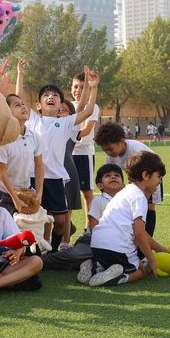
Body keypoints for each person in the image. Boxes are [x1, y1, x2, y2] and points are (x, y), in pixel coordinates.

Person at [16, 60, 101, 251]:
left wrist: (93, 88)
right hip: (33, 177)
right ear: (38, 105)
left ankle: (53, 249)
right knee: (30, 218)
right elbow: (20, 97)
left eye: (55, 95)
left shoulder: (66, 123)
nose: (51, 97)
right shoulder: (34, 120)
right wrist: (20, 76)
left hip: (55, 178)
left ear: (61, 104)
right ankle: (32, 251)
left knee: (61, 221)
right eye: (46, 95)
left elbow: (87, 110)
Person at [84, 151, 169, 287]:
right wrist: (152, 260)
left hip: (97, 248)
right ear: (146, 175)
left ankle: (95, 269)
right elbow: (139, 234)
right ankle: (120, 278)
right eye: (159, 177)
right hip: (117, 250)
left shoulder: (125, 191)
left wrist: (159, 248)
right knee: (141, 269)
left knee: (118, 262)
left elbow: (139, 232)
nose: (159, 182)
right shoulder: (139, 197)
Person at [40, 162, 124, 273]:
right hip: (93, 240)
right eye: (108, 176)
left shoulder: (126, 201)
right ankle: (42, 260)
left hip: (120, 242)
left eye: (117, 175)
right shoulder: (99, 201)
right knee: (74, 255)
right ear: (100, 186)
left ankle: (90, 264)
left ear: (123, 184)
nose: (113, 177)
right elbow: (94, 228)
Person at [96, 122, 158, 235]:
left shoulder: (137, 151)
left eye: (110, 149)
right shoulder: (112, 156)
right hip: (135, 180)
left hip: (152, 178)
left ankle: (146, 241)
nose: (108, 153)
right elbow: (109, 170)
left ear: (122, 141)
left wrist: (143, 193)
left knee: (147, 208)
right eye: (105, 150)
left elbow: (153, 171)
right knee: (133, 210)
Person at [0, 94, 43, 215]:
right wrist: (15, 198)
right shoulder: (3, 140)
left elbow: (39, 166)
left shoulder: (35, 137)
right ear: (7, 112)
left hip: (26, 192)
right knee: (7, 233)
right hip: (4, 194)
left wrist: (39, 194)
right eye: (17, 105)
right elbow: (1, 172)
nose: (23, 107)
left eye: (23, 104)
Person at [69, 71, 101, 228]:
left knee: (87, 193)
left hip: (84, 154)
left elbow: (87, 129)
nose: (78, 90)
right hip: (68, 155)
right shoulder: (67, 106)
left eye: (82, 87)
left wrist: (68, 138)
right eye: (75, 87)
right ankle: (67, 228)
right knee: (68, 192)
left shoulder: (92, 106)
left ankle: (89, 228)